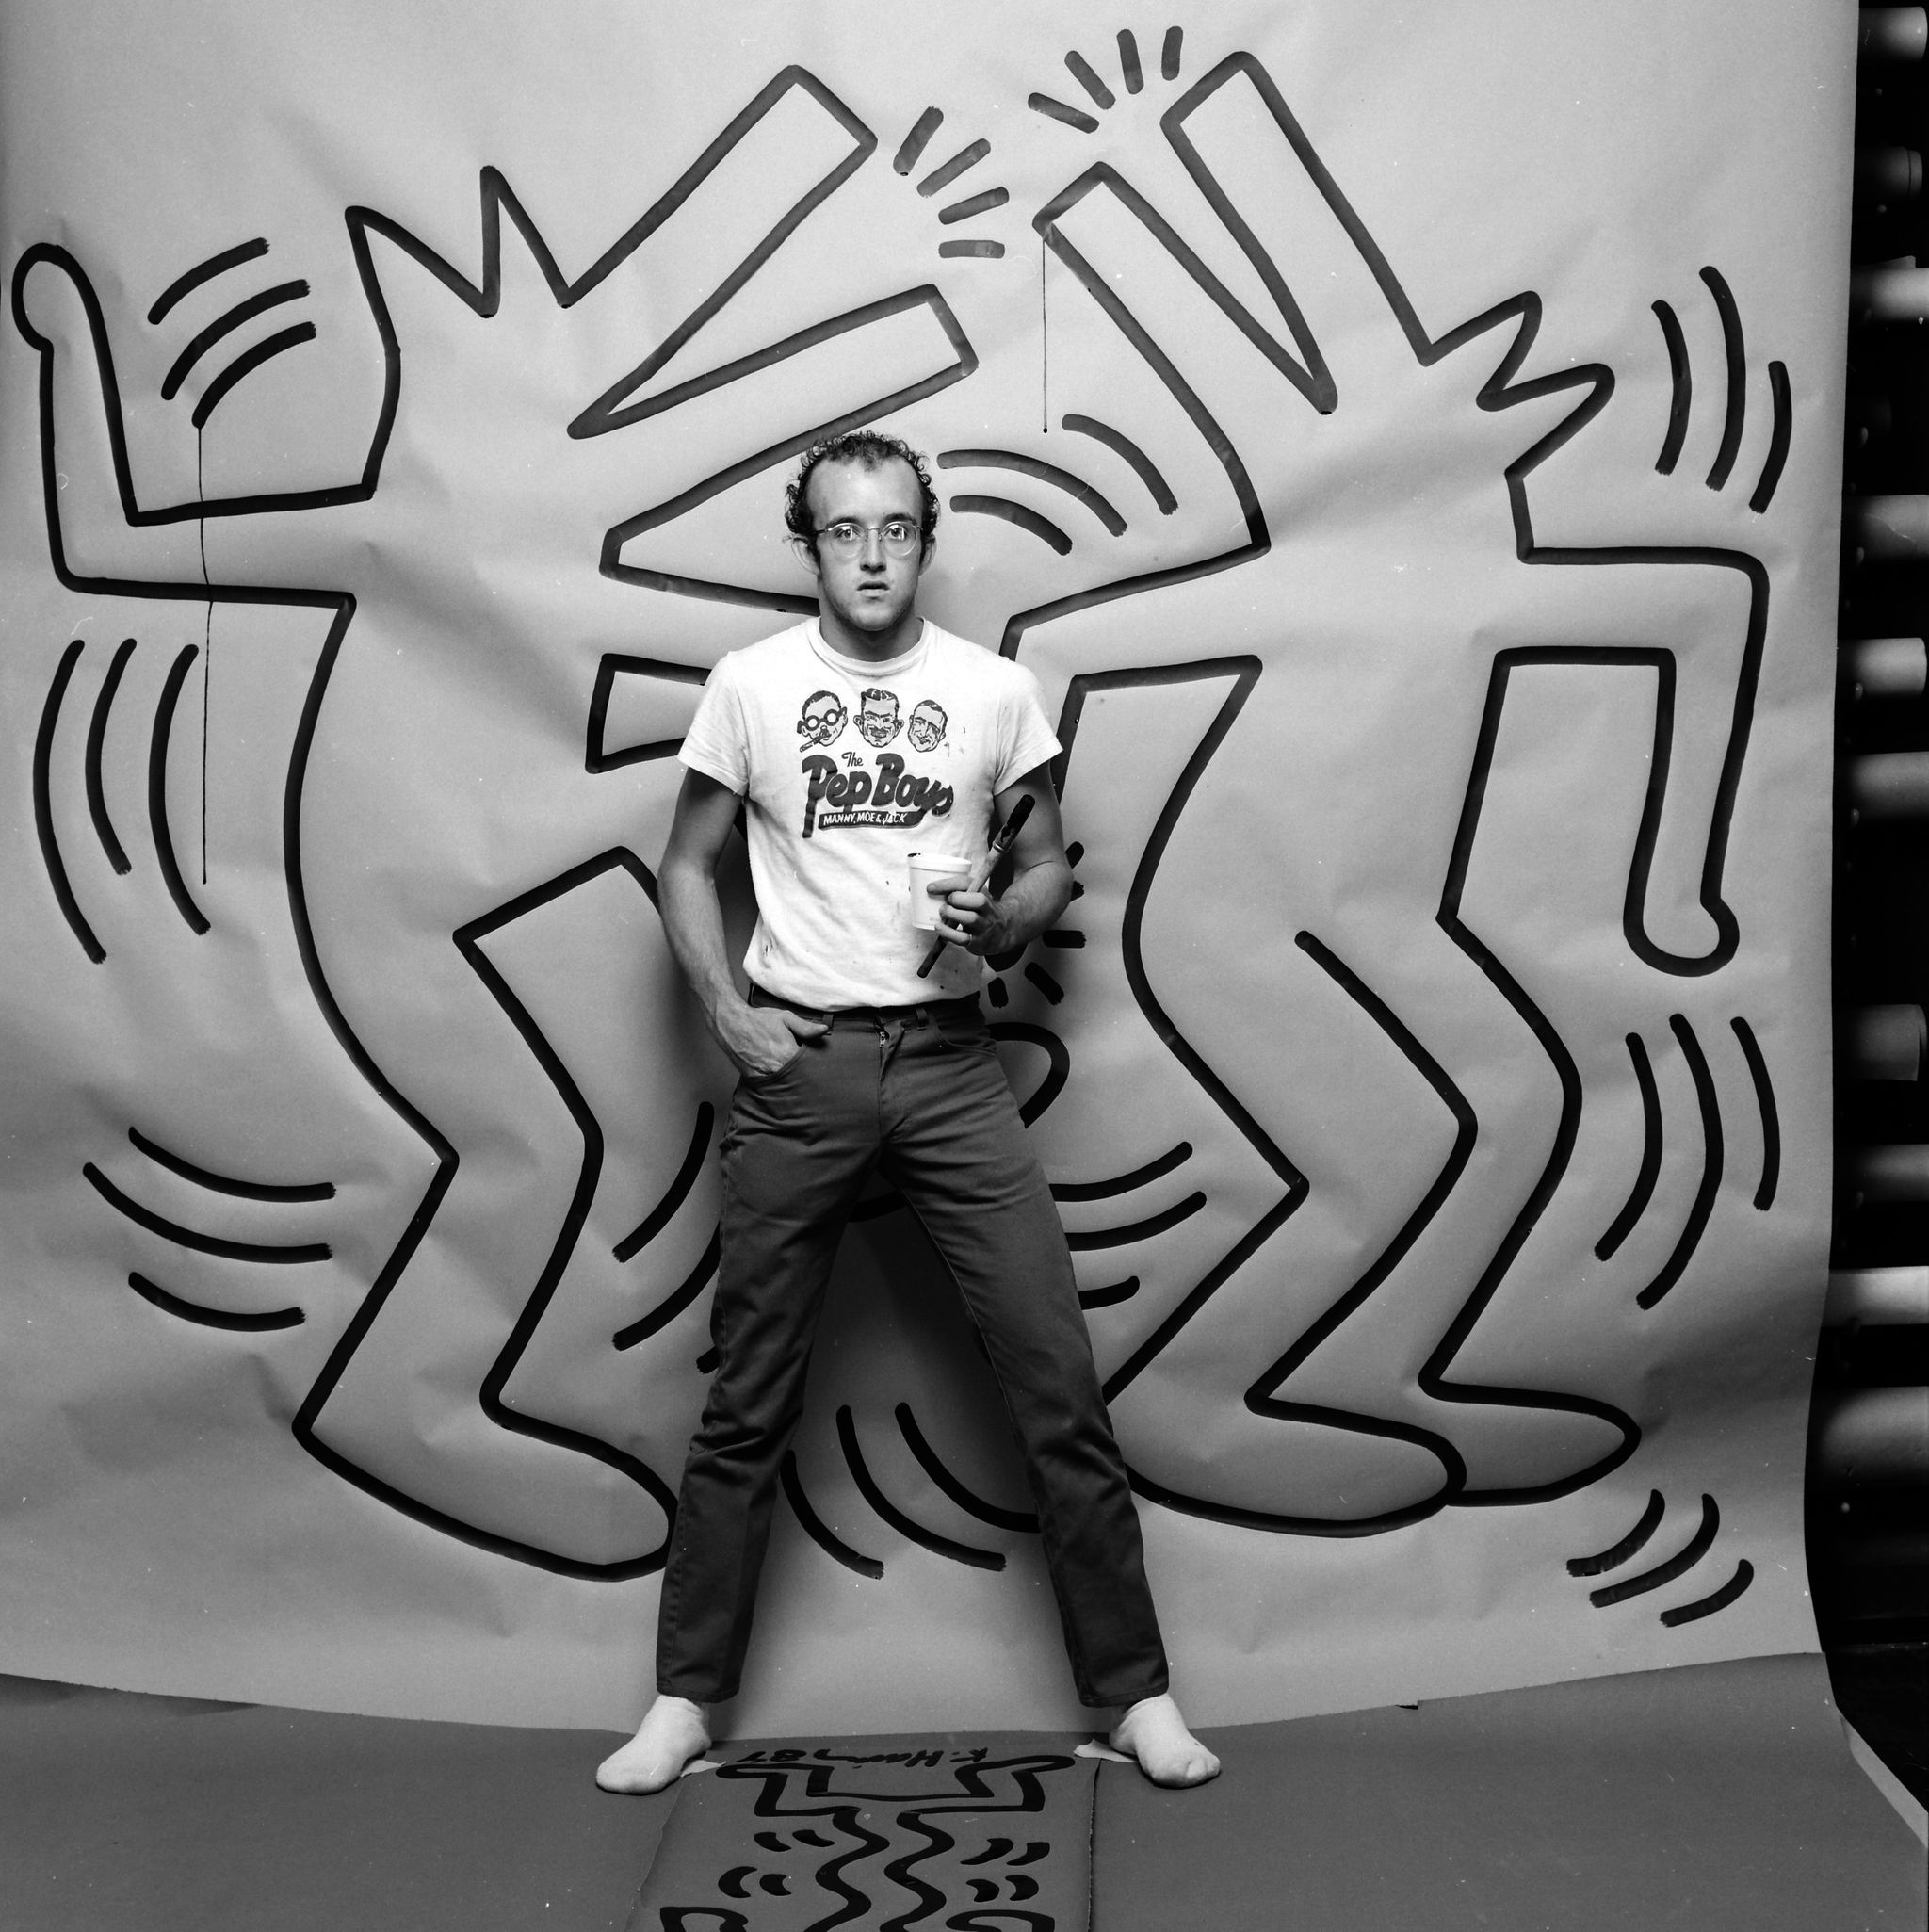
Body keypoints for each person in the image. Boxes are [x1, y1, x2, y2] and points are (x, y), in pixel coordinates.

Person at [596, 430, 1219, 1794]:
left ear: (924, 542)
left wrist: (1004, 921)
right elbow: (686, 865)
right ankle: (684, 1700)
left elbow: (1048, 864)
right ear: (810, 546)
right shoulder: (752, 686)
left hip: (949, 1065)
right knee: (746, 1399)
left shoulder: (993, 692)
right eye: (843, 530)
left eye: (894, 529)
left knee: (1055, 1382)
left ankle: (1136, 1698)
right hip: (802, 1067)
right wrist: (728, 1013)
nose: (871, 554)